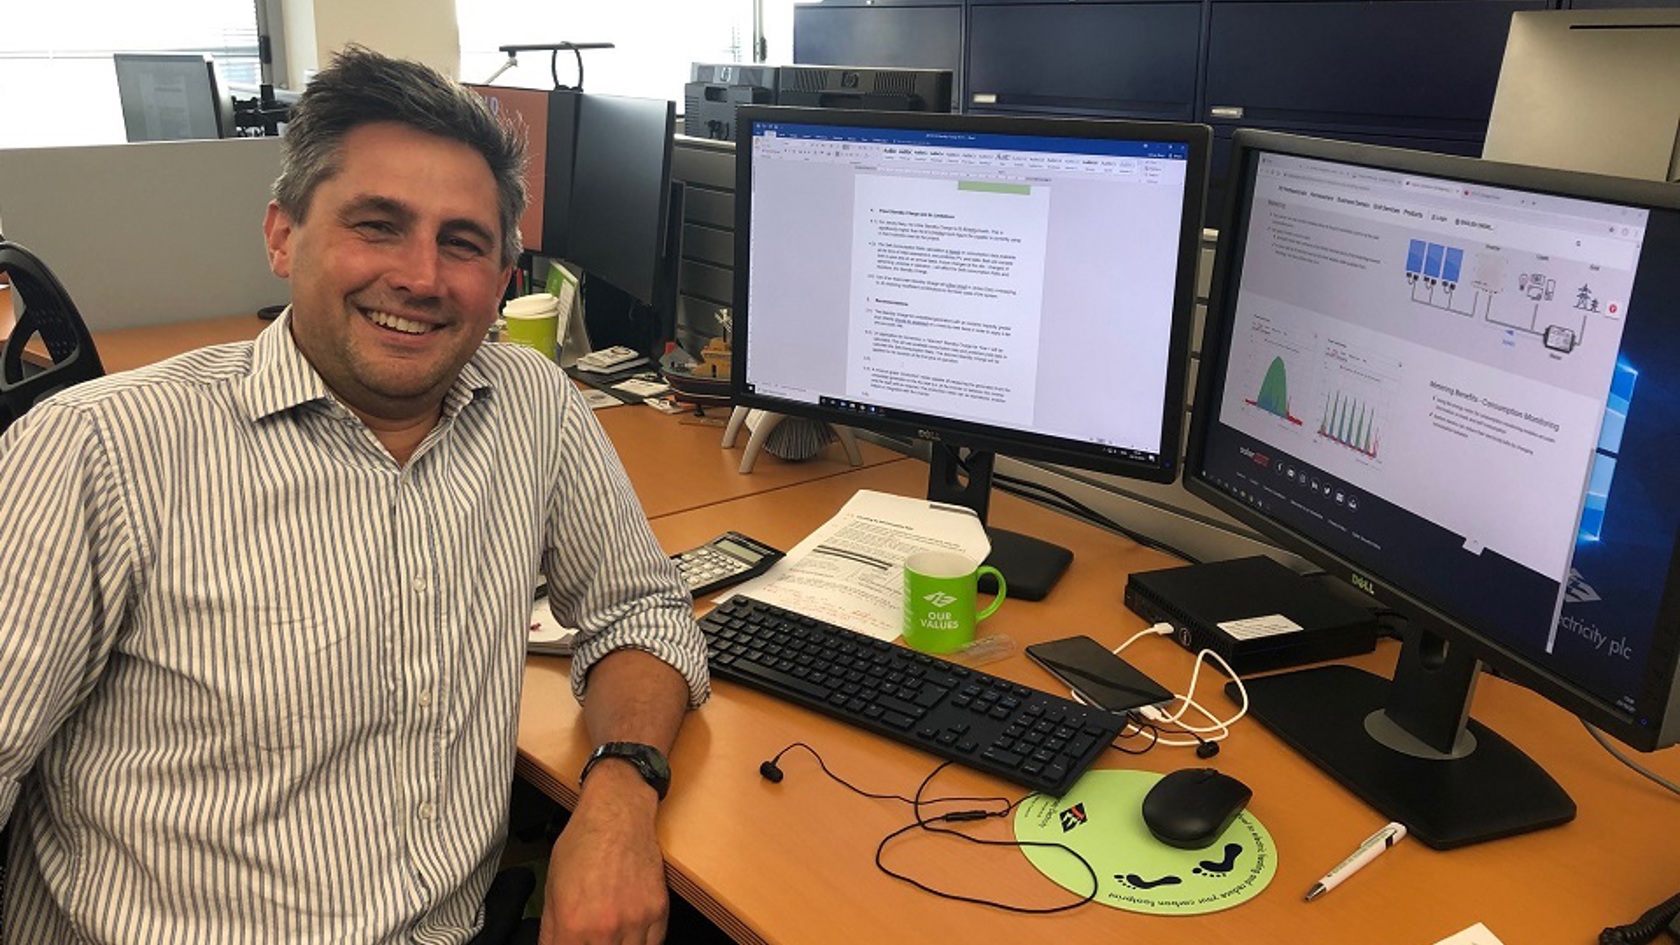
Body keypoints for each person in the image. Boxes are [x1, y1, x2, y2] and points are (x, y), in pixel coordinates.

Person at [0, 46, 708, 944]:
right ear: (282, 236)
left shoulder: (534, 408)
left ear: (502, 281)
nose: (420, 276)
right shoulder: (99, 451)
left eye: (462, 242)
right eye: (378, 225)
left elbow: (640, 611)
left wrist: (619, 790)